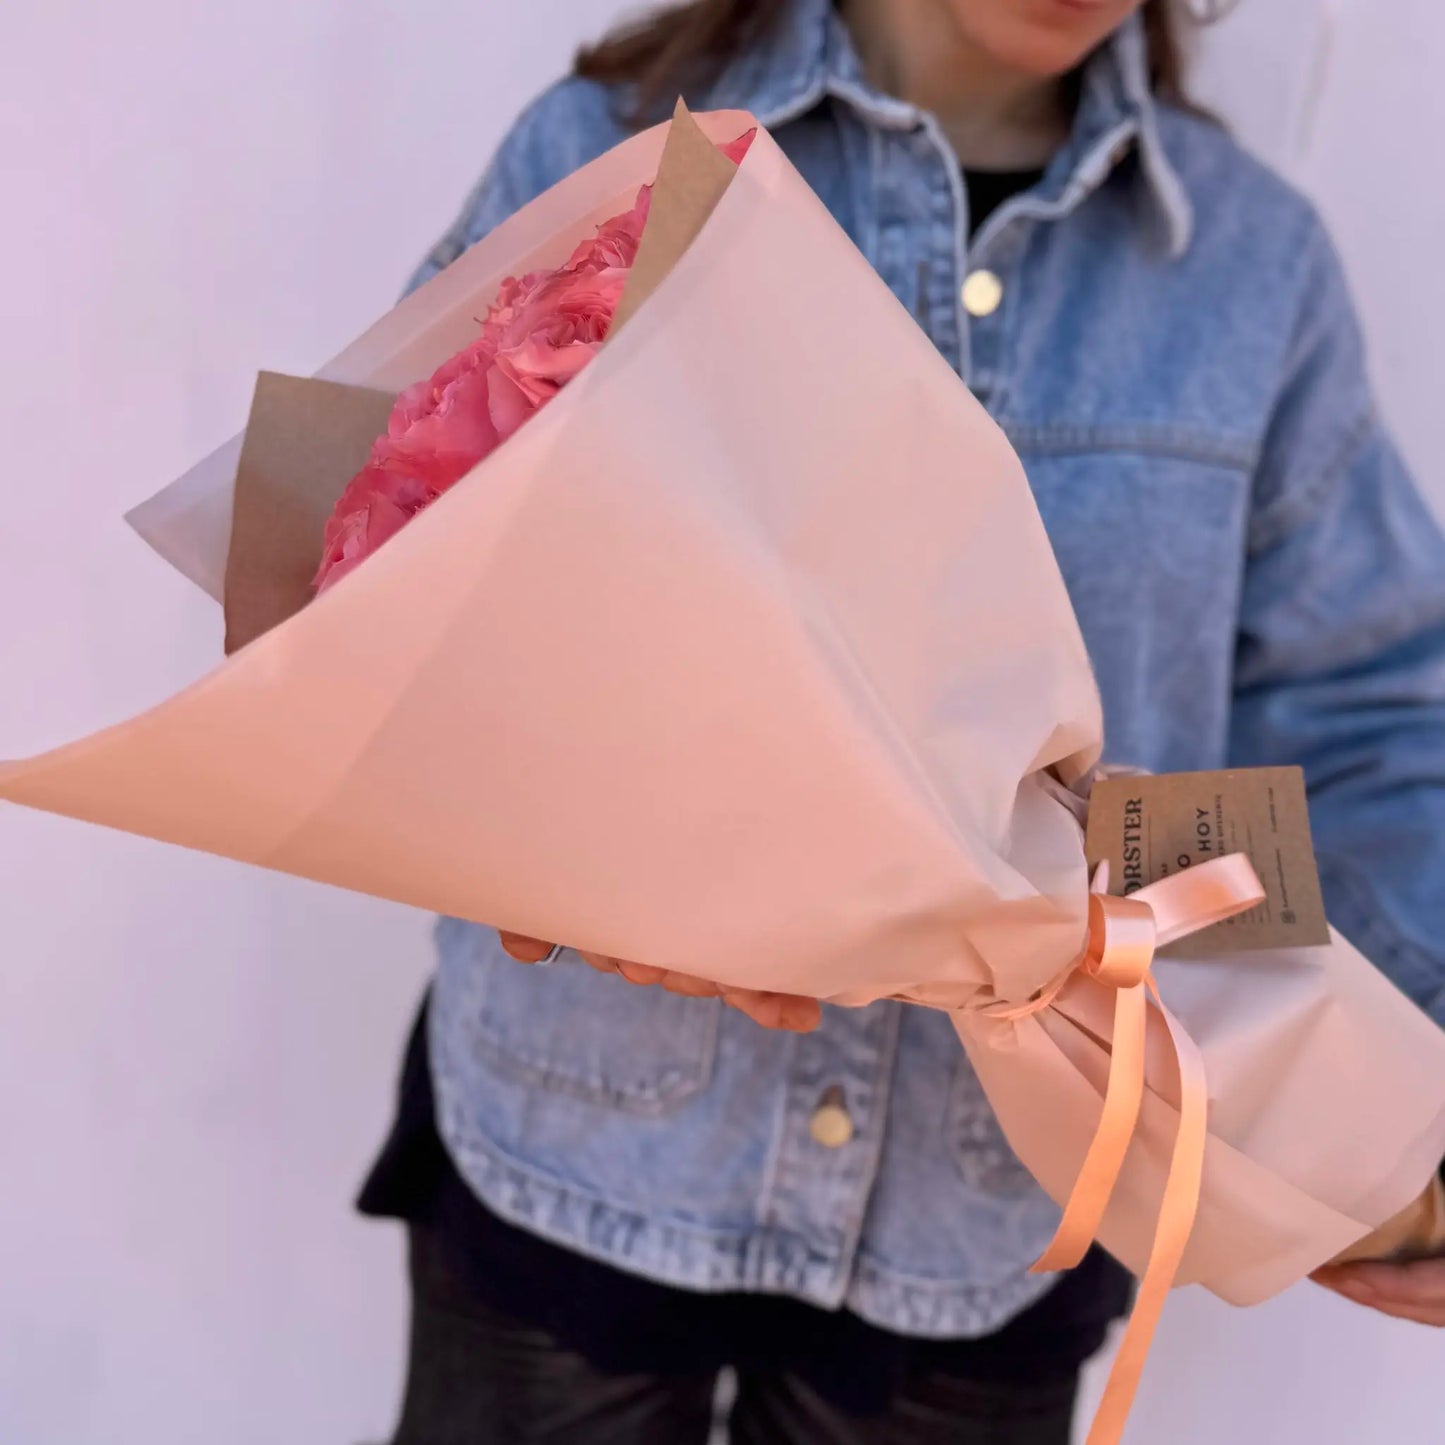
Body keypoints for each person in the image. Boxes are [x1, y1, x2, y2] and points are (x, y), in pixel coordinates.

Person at [359, 2, 1445, 1441]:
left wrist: (1362, 1099)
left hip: (995, 1219)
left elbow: (1352, 724)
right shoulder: (608, 151)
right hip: (575, 1145)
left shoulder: (1252, 267)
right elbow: (378, 564)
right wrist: (574, 847)